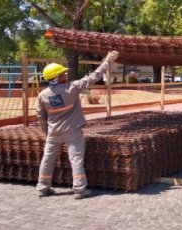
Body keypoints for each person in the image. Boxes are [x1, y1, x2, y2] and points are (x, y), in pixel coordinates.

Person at [36, 51, 119, 198]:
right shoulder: (72, 88)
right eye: (62, 74)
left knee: (47, 159)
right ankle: (80, 190)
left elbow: (41, 116)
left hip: (53, 133)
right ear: (57, 77)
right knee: (76, 160)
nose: (65, 75)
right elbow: (94, 76)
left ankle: (43, 188)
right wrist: (107, 61)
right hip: (72, 132)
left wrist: (47, 131)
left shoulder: (43, 95)